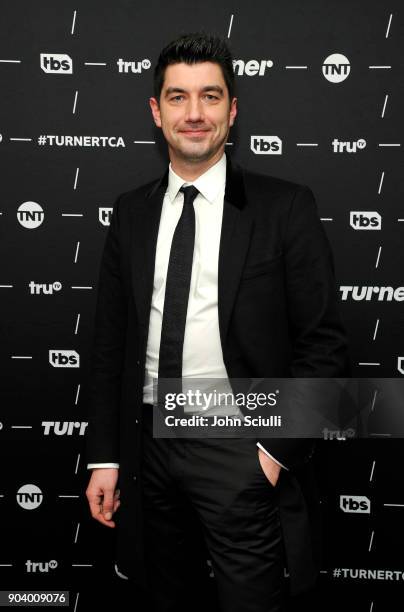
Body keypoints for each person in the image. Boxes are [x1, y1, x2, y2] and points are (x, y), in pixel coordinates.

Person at [85, 31, 350, 612]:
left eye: (210, 96)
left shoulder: (286, 207)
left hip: (239, 439)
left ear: (232, 110)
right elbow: (109, 345)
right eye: (178, 98)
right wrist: (107, 456)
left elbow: (324, 345)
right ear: (157, 113)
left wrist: (272, 452)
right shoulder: (131, 212)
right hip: (148, 441)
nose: (195, 113)